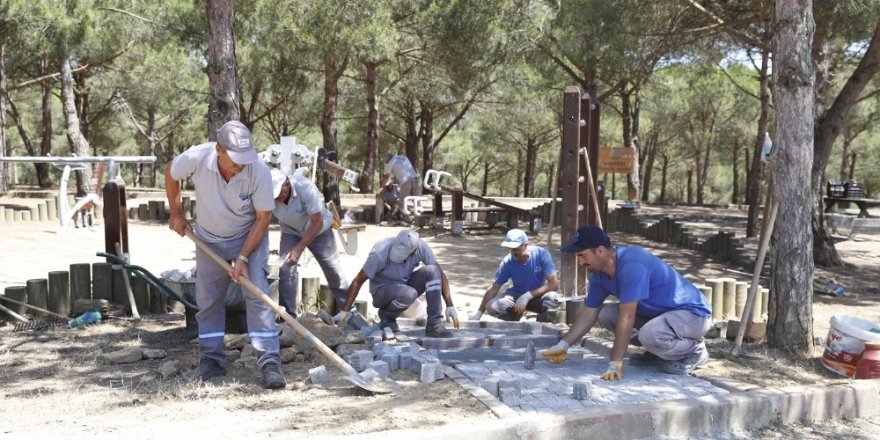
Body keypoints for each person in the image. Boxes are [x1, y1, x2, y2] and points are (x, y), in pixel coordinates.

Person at [165, 120, 286, 389]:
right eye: (235, 159)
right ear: (219, 150)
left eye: (245, 158)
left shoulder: (259, 172)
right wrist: (176, 212)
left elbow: (263, 218)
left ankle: (269, 362)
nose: (241, 164)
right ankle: (211, 361)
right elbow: (172, 173)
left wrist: (242, 258)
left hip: (249, 237)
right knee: (208, 300)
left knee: (257, 295)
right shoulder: (197, 157)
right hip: (209, 239)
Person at [541, 225, 712, 380]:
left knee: (650, 335)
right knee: (606, 314)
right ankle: (658, 353)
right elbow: (589, 312)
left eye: (582, 255)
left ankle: (695, 351)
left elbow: (628, 317)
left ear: (600, 251)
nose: (580, 262)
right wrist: (563, 345)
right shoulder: (600, 275)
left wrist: (615, 362)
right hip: (662, 317)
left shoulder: (632, 263)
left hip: (693, 315)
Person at [337, 229, 459, 338]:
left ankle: (434, 325)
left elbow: (440, 274)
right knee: (409, 293)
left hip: (403, 286)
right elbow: (358, 280)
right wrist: (345, 311)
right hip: (382, 291)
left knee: (433, 271)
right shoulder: (380, 252)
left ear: (413, 252)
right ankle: (387, 317)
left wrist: (450, 305)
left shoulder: (421, 248)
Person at [269, 169, 349, 315]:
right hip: (290, 231)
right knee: (286, 272)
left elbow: (317, 223)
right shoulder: (268, 194)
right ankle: (288, 318)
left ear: (287, 183)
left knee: (333, 270)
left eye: (279, 193)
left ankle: (349, 311)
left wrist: (299, 249)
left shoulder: (305, 188)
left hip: (319, 230)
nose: (276, 199)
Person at [470, 229, 560, 322]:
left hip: (538, 296)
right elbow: (494, 288)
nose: (513, 252)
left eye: (515, 249)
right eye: (510, 249)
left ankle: (540, 323)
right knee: (492, 306)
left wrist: (528, 295)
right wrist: (479, 313)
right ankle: (513, 320)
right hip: (516, 297)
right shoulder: (508, 261)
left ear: (525, 245)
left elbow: (554, 284)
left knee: (553, 299)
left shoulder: (541, 254)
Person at [381, 153, 420, 222]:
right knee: (416, 200)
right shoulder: (403, 157)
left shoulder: (390, 163)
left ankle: (405, 219)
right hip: (414, 178)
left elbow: (385, 177)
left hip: (405, 181)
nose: (386, 163)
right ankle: (420, 218)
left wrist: (381, 188)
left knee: (404, 201)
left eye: (386, 162)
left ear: (387, 160)